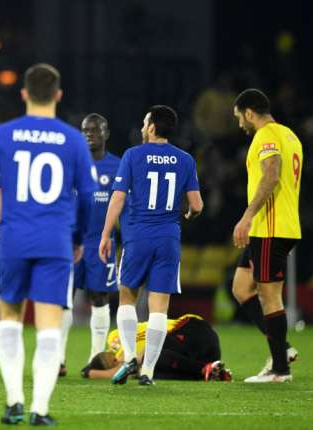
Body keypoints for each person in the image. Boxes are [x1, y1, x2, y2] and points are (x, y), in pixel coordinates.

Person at [0, 63, 97, 426]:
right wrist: (80, 238)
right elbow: (87, 196)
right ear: (58, 95)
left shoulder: (3, 136)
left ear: (23, 94)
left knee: (10, 319)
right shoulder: (72, 140)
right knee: (49, 325)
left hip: (13, 241)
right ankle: (39, 408)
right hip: (55, 242)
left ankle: (13, 402)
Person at [99, 105, 203, 386]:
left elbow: (118, 198)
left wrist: (106, 233)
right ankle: (148, 371)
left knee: (127, 298)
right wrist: (189, 213)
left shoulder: (133, 155)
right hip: (169, 239)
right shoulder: (185, 160)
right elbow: (197, 205)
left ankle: (131, 355)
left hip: (139, 236)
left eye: (146, 123)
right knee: (159, 309)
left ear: (153, 127)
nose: (143, 127)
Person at [231, 88, 302, 383]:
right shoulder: (290, 135)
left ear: (249, 112)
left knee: (269, 296)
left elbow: (271, 174)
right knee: (241, 287)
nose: (239, 125)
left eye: (239, 118)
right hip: (270, 227)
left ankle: (279, 370)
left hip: (270, 227)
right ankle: (281, 349)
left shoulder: (266, 136)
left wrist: (247, 216)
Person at [60, 113, 123, 377]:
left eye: (95, 130)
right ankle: (58, 360)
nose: (90, 134)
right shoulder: (71, 164)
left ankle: (95, 358)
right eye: (85, 130)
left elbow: (124, 205)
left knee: (100, 297)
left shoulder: (118, 166)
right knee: (64, 300)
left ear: (106, 133)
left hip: (101, 243)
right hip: (70, 242)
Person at [82, 314, 232, 382]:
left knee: (149, 355)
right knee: (153, 372)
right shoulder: (124, 358)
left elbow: (117, 372)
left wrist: (90, 373)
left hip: (192, 330)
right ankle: (211, 371)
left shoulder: (115, 339)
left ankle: (203, 369)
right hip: (204, 355)